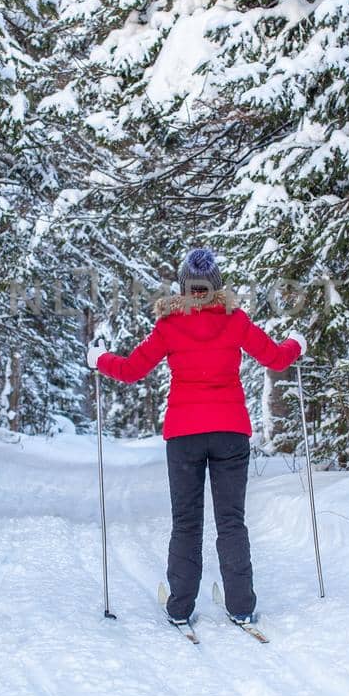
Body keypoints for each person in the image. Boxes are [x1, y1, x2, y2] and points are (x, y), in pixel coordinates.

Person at [87, 248, 305, 627]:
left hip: (185, 436)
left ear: (185, 287)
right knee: (231, 520)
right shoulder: (235, 321)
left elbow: (130, 371)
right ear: (217, 285)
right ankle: (240, 604)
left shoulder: (170, 326)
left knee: (186, 522)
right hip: (230, 433)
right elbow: (276, 359)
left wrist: (99, 359)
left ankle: (180, 607)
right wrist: (295, 343)